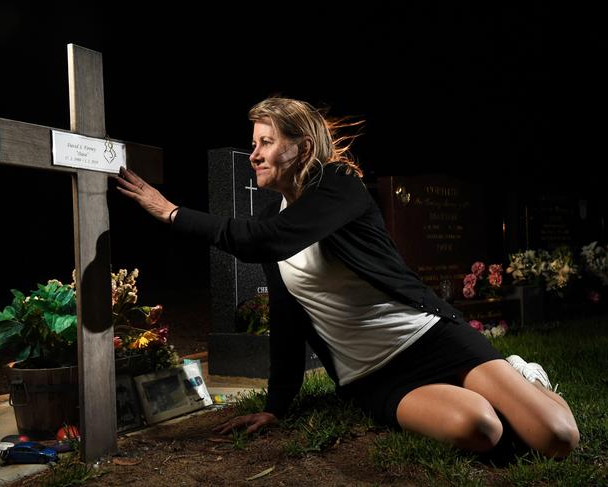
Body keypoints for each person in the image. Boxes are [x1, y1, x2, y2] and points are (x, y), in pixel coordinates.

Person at [116, 97, 579, 458]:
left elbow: (263, 240)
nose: (254, 154)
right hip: (373, 376)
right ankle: (496, 396)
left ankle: (523, 377)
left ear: (303, 148)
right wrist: (276, 406)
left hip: (431, 337)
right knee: (479, 429)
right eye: (253, 142)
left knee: (558, 438)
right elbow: (288, 318)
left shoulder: (339, 186)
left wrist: (171, 212)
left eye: (266, 142)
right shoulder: (270, 214)